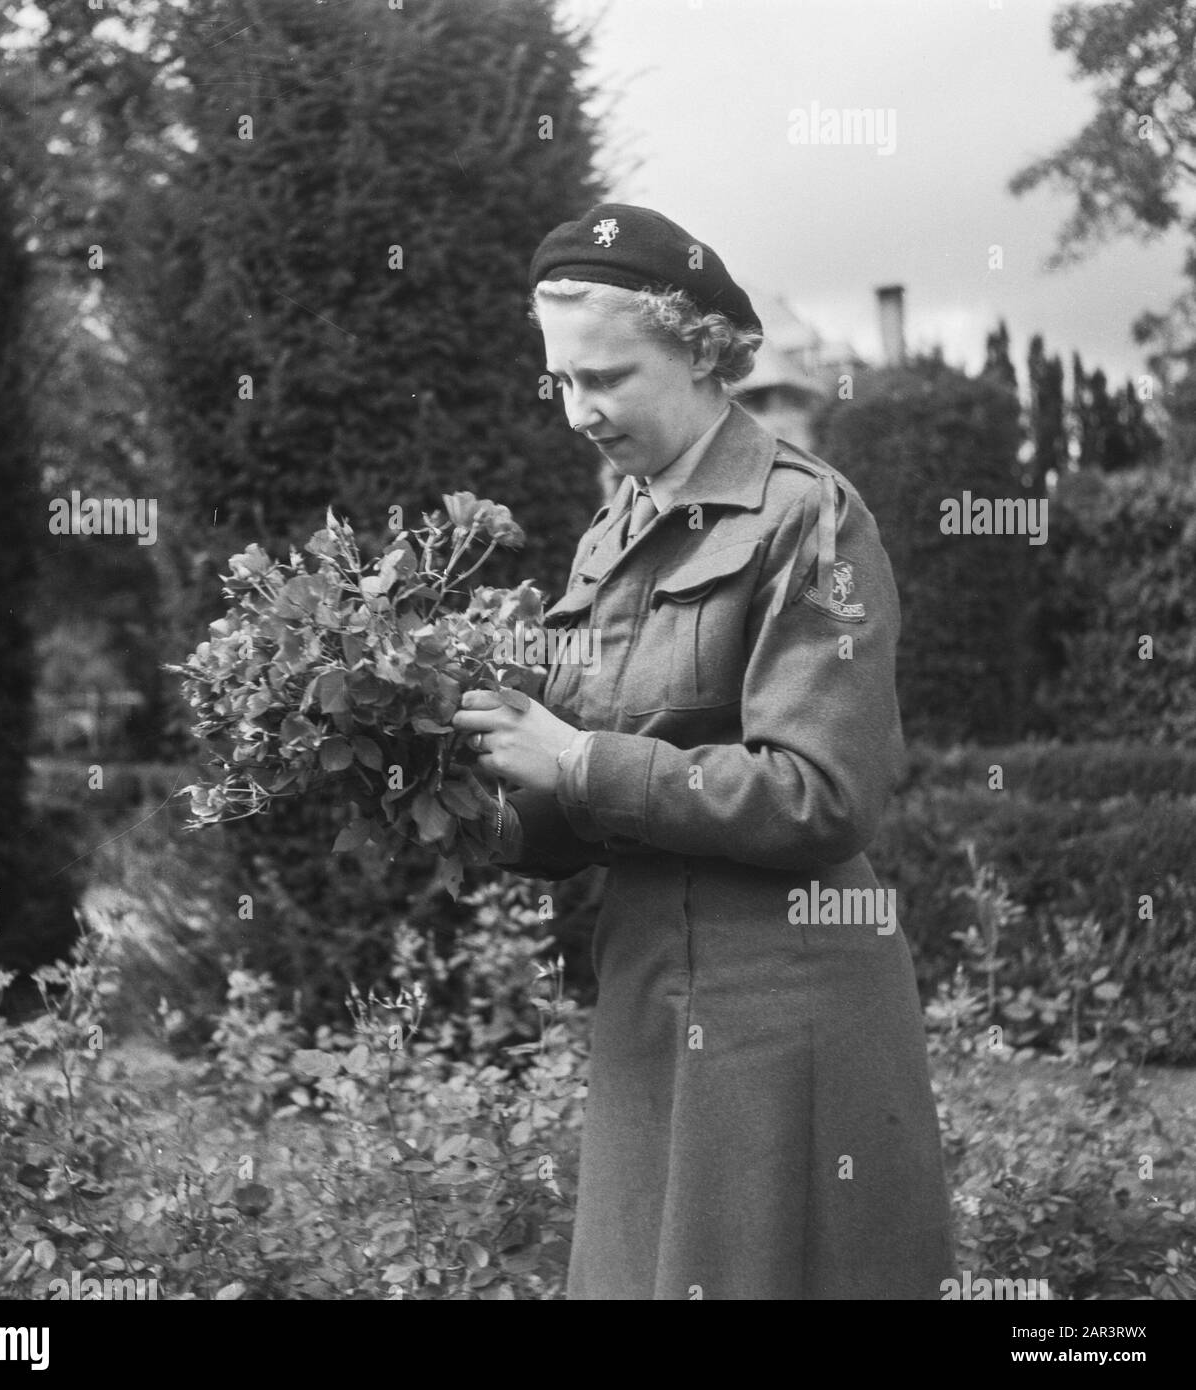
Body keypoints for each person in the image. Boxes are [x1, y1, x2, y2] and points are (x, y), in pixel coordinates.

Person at [451, 202, 956, 1300]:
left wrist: (579, 762)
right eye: (563, 384)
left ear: (696, 347)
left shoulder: (806, 520)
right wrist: (464, 791)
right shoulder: (611, 532)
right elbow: (577, 787)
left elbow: (821, 794)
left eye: (607, 378)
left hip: (783, 1014)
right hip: (648, 999)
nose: (580, 412)